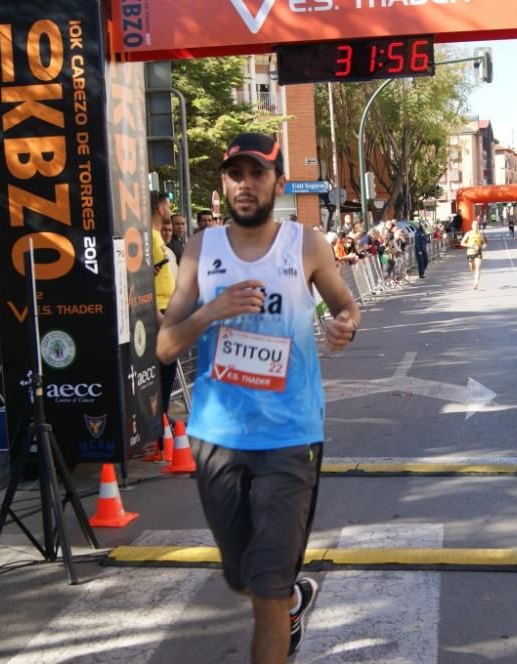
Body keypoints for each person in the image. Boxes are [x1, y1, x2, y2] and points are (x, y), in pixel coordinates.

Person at [156, 132, 360, 664]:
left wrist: (344, 326)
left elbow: (345, 306)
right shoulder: (201, 250)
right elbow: (164, 346)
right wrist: (210, 311)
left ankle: (281, 598)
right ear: (224, 183)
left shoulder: (306, 244)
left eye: (257, 174)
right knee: (242, 578)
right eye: (235, 175)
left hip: (291, 436)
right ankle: (292, 600)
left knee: (265, 585)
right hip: (216, 437)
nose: (244, 185)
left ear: (278, 182)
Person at [150, 191, 178, 420]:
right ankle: (161, 418)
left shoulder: (157, 236)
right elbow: (145, 277)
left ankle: (163, 417)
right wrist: (157, 312)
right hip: (159, 311)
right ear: (159, 209)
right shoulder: (150, 236)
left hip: (167, 308)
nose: (170, 209)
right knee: (163, 370)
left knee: (168, 369)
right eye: (168, 205)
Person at [461, 222, 487, 289]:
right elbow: (462, 243)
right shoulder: (468, 233)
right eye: (475, 225)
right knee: (472, 268)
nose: (476, 226)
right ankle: (474, 272)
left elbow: (483, 243)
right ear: (472, 226)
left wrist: (483, 246)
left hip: (478, 252)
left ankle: (476, 283)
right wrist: (470, 245)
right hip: (470, 253)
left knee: (478, 268)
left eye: (477, 225)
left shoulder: (480, 234)